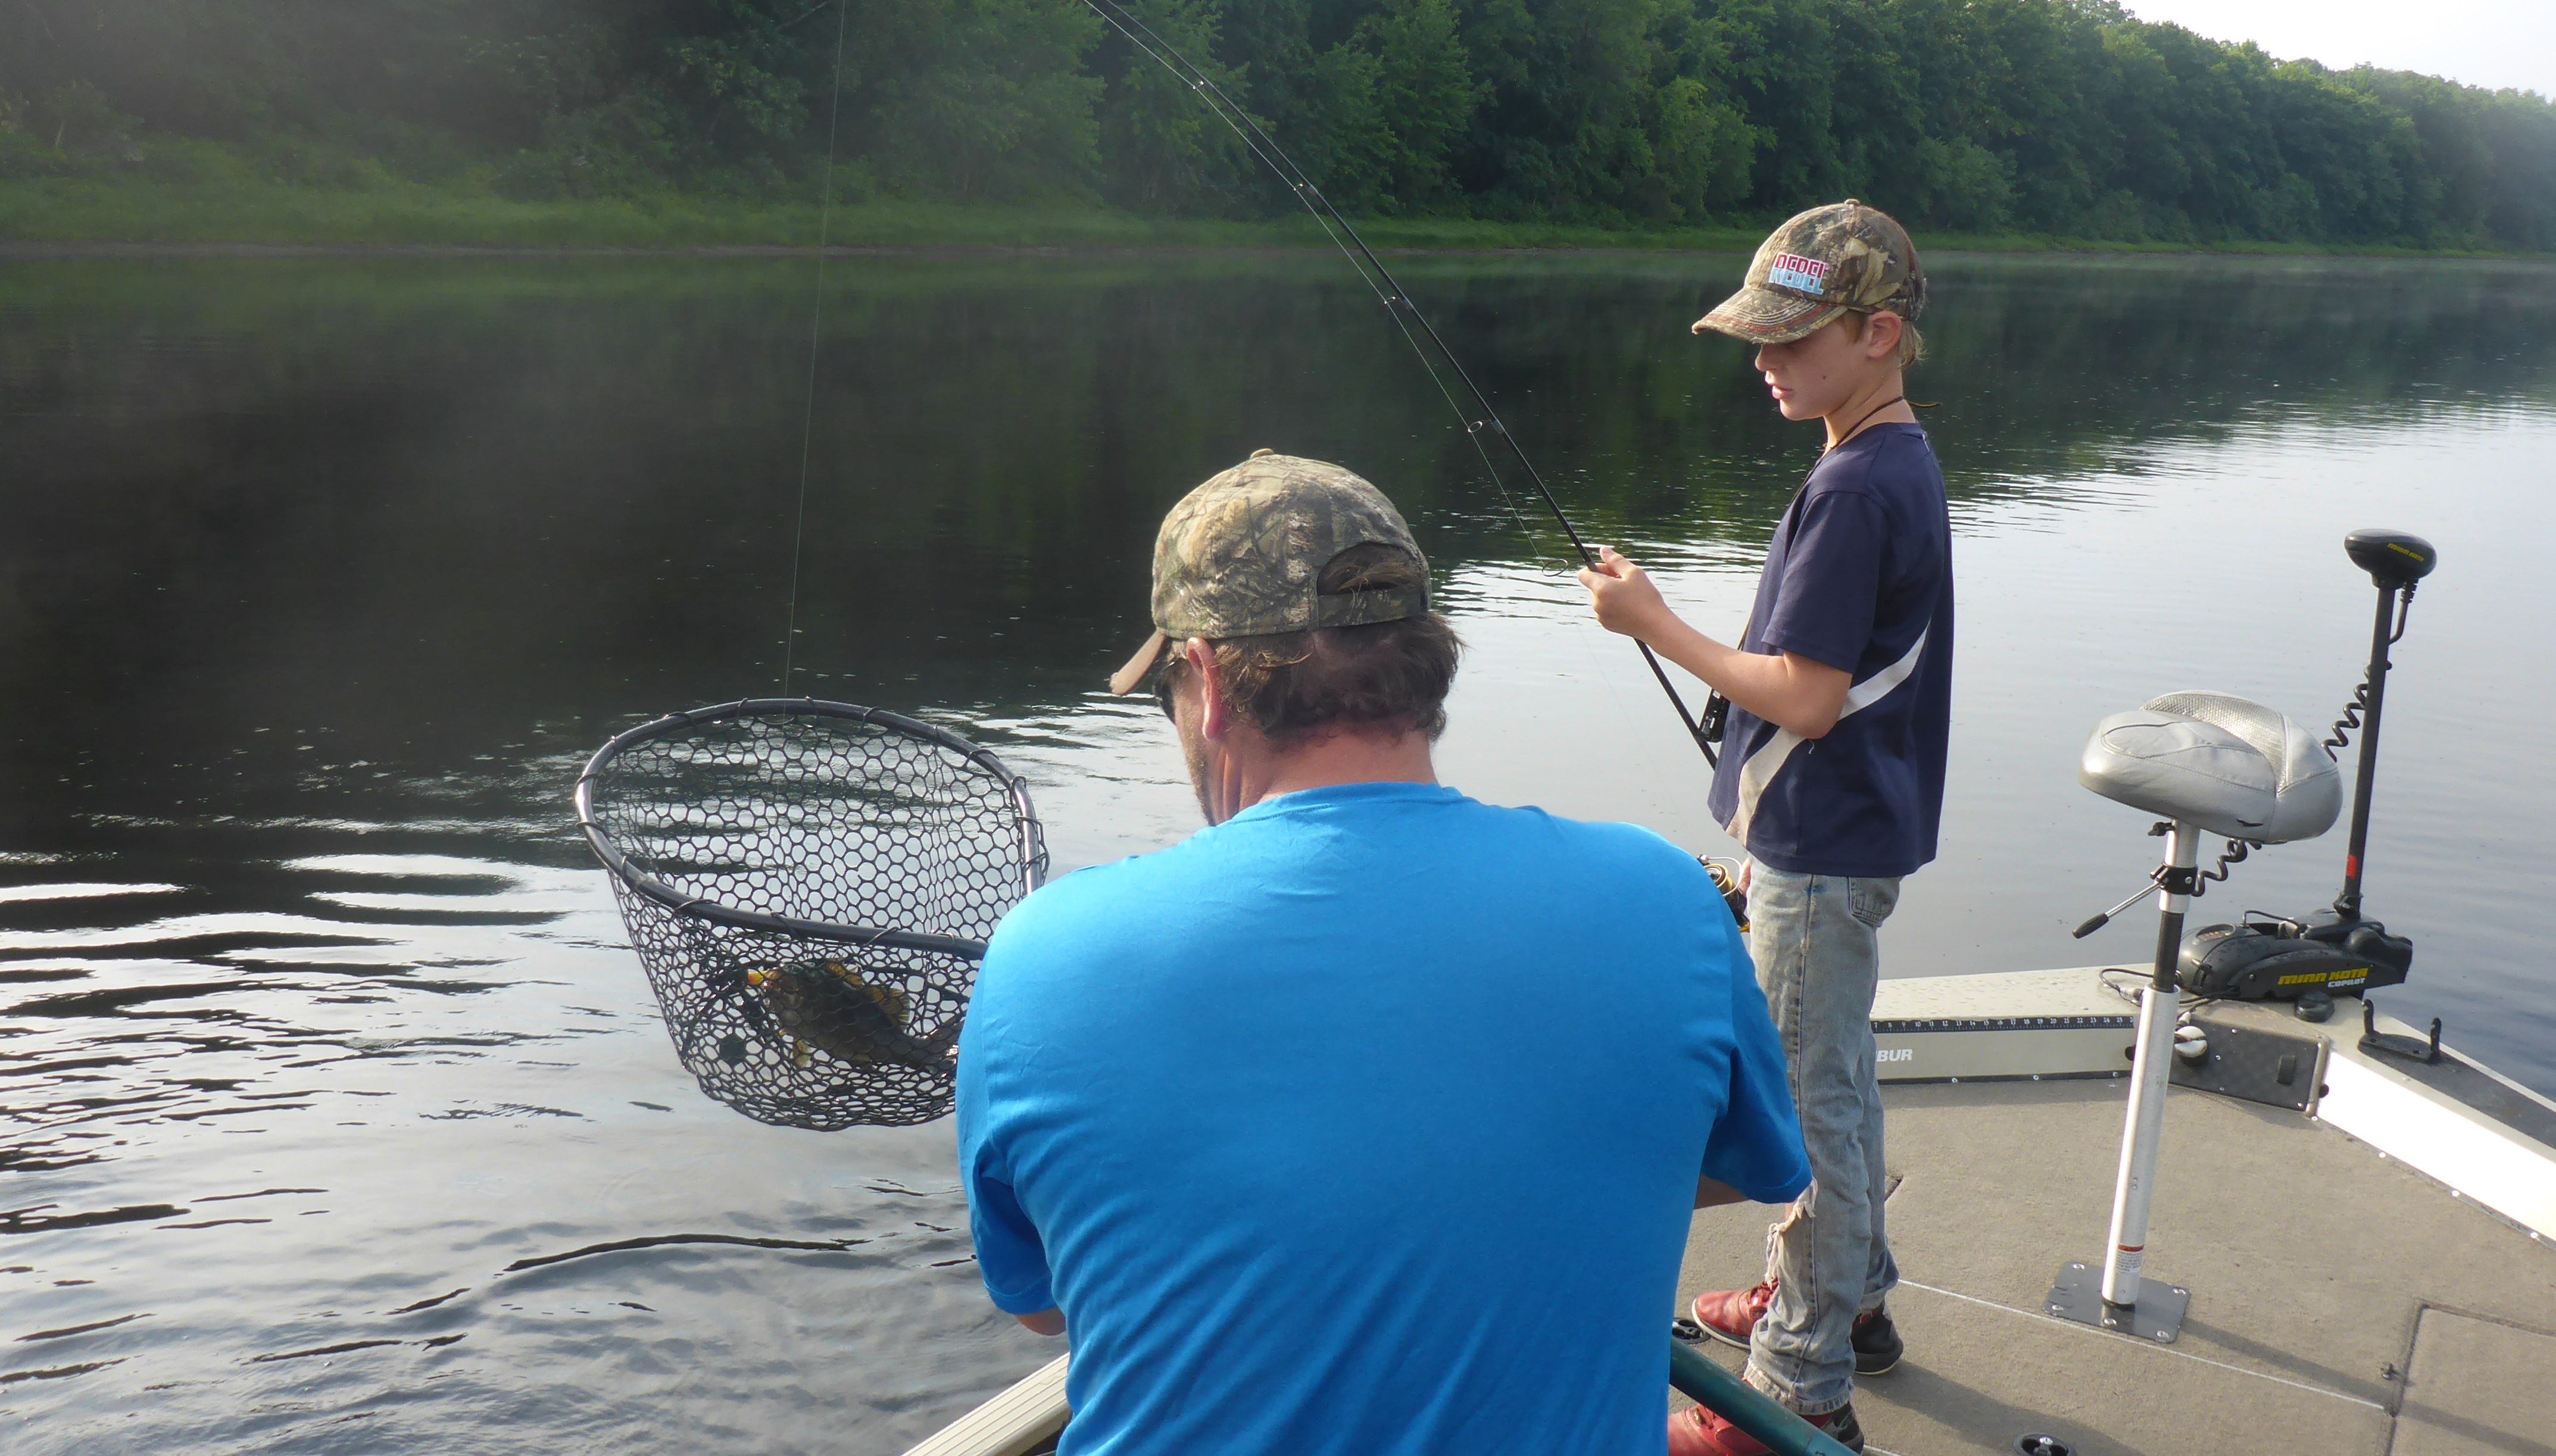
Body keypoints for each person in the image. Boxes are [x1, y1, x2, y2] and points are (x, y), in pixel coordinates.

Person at [956, 450, 1812, 1455]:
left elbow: (1041, 1306)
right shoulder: (1664, 898)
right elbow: (1737, 1166)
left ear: (1206, 683)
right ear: (1426, 661)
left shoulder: (1040, 957)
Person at [1580, 201, 1953, 1455]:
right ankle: (1844, 1305)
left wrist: (1655, 624)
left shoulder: (1854, 489)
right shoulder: (1891, 458)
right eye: (1757, 337)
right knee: (1834, 1082)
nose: (1763, 360)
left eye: (1791, 341)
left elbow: (1802, 690)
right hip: (1835, 831)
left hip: (1827, 845)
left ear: (1879, 333)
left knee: (1802, 1110)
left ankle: (1799, 1385)